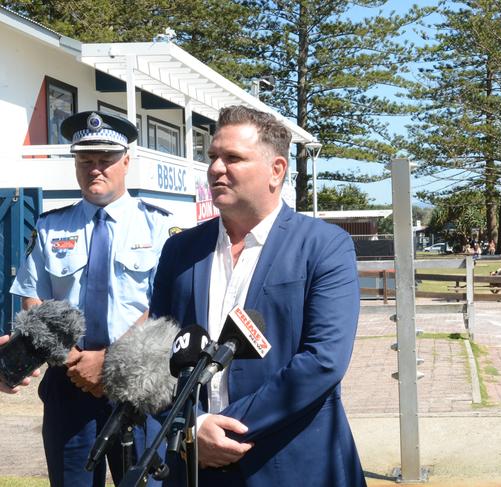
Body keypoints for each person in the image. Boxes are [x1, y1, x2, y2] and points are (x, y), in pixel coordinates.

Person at [149, 105, 366, 486]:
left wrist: (230, 427)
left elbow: (323, 361)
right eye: (212, 156)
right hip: (194, 463)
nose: (216, 168)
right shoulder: (180, 251)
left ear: (276, 170)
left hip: (291, 465)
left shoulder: (324, 246)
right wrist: (192, 427)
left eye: (232, 158)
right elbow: (158, 352)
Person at [10, 111, 174, 487]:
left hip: (138, 387)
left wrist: (108, 363)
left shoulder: (159, 226)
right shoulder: (51, 226)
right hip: (70, 386)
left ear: (126, 162)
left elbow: (163, 305)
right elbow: (33, 300)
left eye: (106, 160)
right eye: (85, 161)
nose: (95, 169)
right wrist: (74, 362)